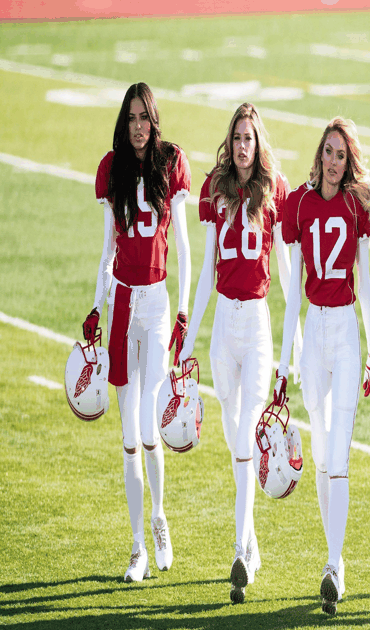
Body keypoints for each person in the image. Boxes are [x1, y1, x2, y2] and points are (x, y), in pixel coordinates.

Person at [178, 103, 301, 604]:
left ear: (259, 141)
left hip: (255, 321)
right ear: (229, 143)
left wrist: (292, 344)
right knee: (234, 436)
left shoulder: (275, 189)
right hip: (223, 323)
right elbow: (207, 269)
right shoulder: (215, 189)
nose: (242, 146)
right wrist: (187, 342)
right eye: (236, 138)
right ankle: (251, 542)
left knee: (248, 430)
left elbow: (287, 272)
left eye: (249, 138)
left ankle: (238, 550)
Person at [273, 117, 370, 615]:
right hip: (313, 332)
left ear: (348, 158)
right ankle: (332, 556)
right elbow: (292, 291)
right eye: (329, 152)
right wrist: (284, 358)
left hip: (344, 331)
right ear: (319, 155)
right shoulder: (297, 204)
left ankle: (334, 564)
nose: (335, 161)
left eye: (342, 154)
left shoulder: (356, 204)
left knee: (337, 455)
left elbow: (365, 279)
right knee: (321, 454)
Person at [83, 82, 191, 582]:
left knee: (151, 428)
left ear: (154, 118)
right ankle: (135, 546)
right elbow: (108, 249)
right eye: (131, 119)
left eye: (144, 117)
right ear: (124, 124)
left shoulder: (172, 162)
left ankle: (159, 518)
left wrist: (185, 309)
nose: (139, 126)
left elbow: (184, 247)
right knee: (128, 436)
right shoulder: (112, 168)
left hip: (157, 303)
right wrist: (96, 305)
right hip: (124, 304)